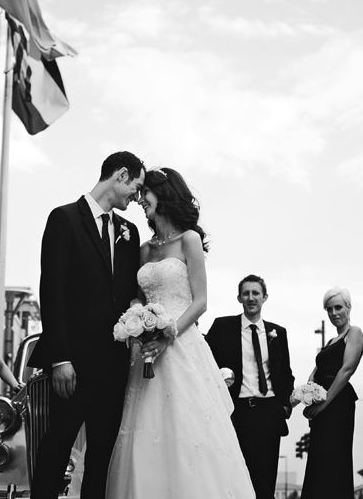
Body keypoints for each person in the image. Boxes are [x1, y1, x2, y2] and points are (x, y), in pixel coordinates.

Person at [106, 167, 256, 499]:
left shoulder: (188, 239)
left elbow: (200, 301)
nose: (139, 199)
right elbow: (139, 297)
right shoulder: (144, 250)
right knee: (145, 433)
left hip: (181, 345)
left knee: (189, 432)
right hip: (146, 353)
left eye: (145, 192)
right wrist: (138, 318)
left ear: (164, 193)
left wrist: (167, 333)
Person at [29, 151, 145, 499]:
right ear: (121, 175)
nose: (136, 198)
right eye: (136, 188)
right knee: (56, 446)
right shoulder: (63, 219)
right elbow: (52, 293)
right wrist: (60, 359)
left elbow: (127, 296)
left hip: (113, 365)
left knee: (103, 453)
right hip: (73, 365)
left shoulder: (130, 232)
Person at [205, 275, 295, 499]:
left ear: (264, 297)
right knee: (242, 473)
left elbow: (286, 374)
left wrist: (283, 406)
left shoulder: (278, 333)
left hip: (270, 412)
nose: (251, 298)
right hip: (239, 411)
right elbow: (206, 363)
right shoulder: (222, 327)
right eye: (246, 293)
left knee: (267, 476)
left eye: (256, 293)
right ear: (239, 298)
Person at [300, 288, 363, 499]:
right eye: (329, 309)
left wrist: (323, 403)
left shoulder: (354, 332)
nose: (334, 313)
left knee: (335, 457)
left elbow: (346, 370)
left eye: (338, 307)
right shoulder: (329, 343)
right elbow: (314, 373)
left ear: (348, 307)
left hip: (338, 404)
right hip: (321, 405)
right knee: (319, 458)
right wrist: (306, 397)